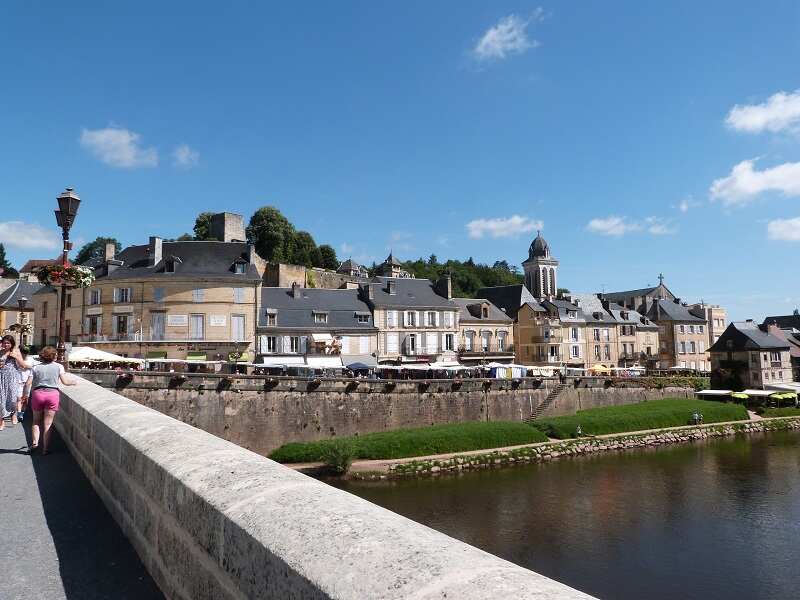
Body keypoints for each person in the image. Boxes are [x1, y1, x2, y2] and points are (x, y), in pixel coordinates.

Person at [26, 346, 76, 455]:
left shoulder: (35, 367)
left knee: (36, 421)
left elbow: (28, 383)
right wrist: (73, 382)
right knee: (48, 423)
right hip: (52, 394)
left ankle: (35, 443)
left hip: (38, 394)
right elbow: (65, 382)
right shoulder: (58, 366)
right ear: (54, 356)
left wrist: (24, 395)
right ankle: (45, 449)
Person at [0, 335, 29, 430]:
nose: (5, 344)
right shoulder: (0, 352)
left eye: (8, 343)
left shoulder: (15, 352)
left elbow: (23, 365)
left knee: (13, 398)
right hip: (1, 377)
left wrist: (16, 357)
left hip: (12, 377)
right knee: (1, 399)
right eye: (4, 342)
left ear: (12, 344)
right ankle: (2, 421)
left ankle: (13, 414)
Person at [14, 346, 32, 424]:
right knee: (19, 398)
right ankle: (19, 414)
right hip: (18, 382)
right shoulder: (17, 360)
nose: (25, 355)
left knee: (25, 399)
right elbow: (24, 366)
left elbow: (32, 371)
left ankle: (22, 412)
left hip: (27, 382)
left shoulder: (31, 360)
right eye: (23, 353)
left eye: (26, 353)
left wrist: (28, 382)